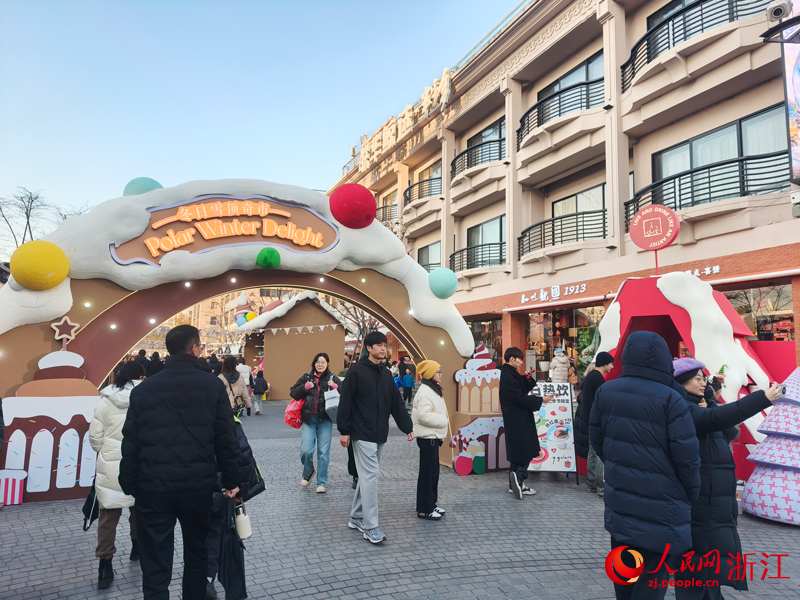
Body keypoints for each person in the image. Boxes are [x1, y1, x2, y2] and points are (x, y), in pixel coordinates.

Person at [119, 325, 241, 600]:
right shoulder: (212, 385)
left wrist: (129, 482)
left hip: (152, 486)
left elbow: (131, 441)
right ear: (194, 348)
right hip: (197, 486)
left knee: (154, 560)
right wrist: (232, 481)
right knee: (197, 555)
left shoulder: (144, 390)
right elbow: (226, 438)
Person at [589, 332, 701, 600]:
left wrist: (618, 465)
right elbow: (687, 456)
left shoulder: (607, 390)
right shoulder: (671, 398)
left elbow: (597, 437)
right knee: (652, 579)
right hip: (662, 504)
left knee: (625, 574)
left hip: (621, 498)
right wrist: (690, 493)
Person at [672, 357, 780, 599]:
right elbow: (715, 421)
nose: (703, 383)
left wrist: (710, 402)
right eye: (697, 379)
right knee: (696, 566)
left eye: (704, 378)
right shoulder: (681, 409)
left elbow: (730, 430)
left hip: (715, 500)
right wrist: (762, 398)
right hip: (701, 500)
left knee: (709, 565)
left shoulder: (701, 406)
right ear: (681, 381)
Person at [337, 331, 413, 544]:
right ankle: (371, 526)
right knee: (371, 477)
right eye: (378, 345)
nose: (383, 349)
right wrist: (344, 431)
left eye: (385, 345)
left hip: (380, 432)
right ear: (368, 348)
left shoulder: (386, 374)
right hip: (361, 432)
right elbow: (345, 402)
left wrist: (407, 426)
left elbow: (396, 403)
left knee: (367, 476)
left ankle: (356, 516)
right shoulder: (356, 372)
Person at [90, 361, 146, 589]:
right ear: (141, 377)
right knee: (138, 511)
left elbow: (95, 437)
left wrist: (106, 451)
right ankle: (137, 548)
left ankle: (105, 566)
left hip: (110, 463)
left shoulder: (105, 401)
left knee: (108, 516)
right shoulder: (145, 398)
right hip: (138, 463)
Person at [205, 409, 257, 600]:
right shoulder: (228, 419)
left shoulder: (188, 415)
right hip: (222, 490)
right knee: (215, 533)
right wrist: (240, 491)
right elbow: (243, 457)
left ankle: (201, 578)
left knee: (198, 536)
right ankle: (207, 578)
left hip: (196, 489)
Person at [499, 347, 549, 499]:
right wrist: (540, 399)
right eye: (519, 359)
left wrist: (527, 379)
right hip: (518, 419)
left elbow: (520, 392)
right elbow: (519, 398)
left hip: (517, 418)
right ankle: (519, 478)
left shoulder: (510, 374)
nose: (521, 362)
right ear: (512, 359)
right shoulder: (507, 376)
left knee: (518, 452)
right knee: (525, 450)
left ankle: (514, 484)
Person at [290, 353, 342, 493]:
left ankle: (321, 483)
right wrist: (305, 387)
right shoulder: (306, 377)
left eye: (323, 362)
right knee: (306, 451)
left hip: (325, 421)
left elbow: (345, 391)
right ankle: (309, 471)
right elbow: (293, 393)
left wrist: (335, 386)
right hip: (309, 420)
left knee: (323, 453)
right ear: (314, 363)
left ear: (327, 364)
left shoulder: (332, 378)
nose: (320, 364)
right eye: (318, 362)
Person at [411, 360, 449, 520]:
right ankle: (425, 509)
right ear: (429, 373)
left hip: (432, 437)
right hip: (428, 438)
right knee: (427, 475)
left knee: (433, 473)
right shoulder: (426, 391)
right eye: (438, 372)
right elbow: (423, 416)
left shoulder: (432, 389)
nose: (441, 374)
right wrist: (444, 420)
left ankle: (431, 504)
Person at [574, 351, 614, 499]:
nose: (612, 366)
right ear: (604, 364)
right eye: (610, 363)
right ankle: (601, 487)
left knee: (592, 452)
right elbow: (601, 402)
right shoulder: (598, 379)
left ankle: (591, 483)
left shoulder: (591, 376)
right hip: (596, 421)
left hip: (588, 420)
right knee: (598, 454)